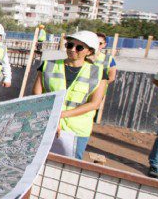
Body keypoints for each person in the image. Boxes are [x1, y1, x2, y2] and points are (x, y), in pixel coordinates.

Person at [32, 30, 105, 160]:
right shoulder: (48, 65)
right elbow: (37, 94)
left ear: (89, 51)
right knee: (39, 161)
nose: (72, 49)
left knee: (69, 168)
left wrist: (60, 116)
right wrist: (51, 117)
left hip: (77, 130)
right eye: (70, 45)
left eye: (79, 47)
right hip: (46, 123)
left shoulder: (98, 73)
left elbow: (94, 103)